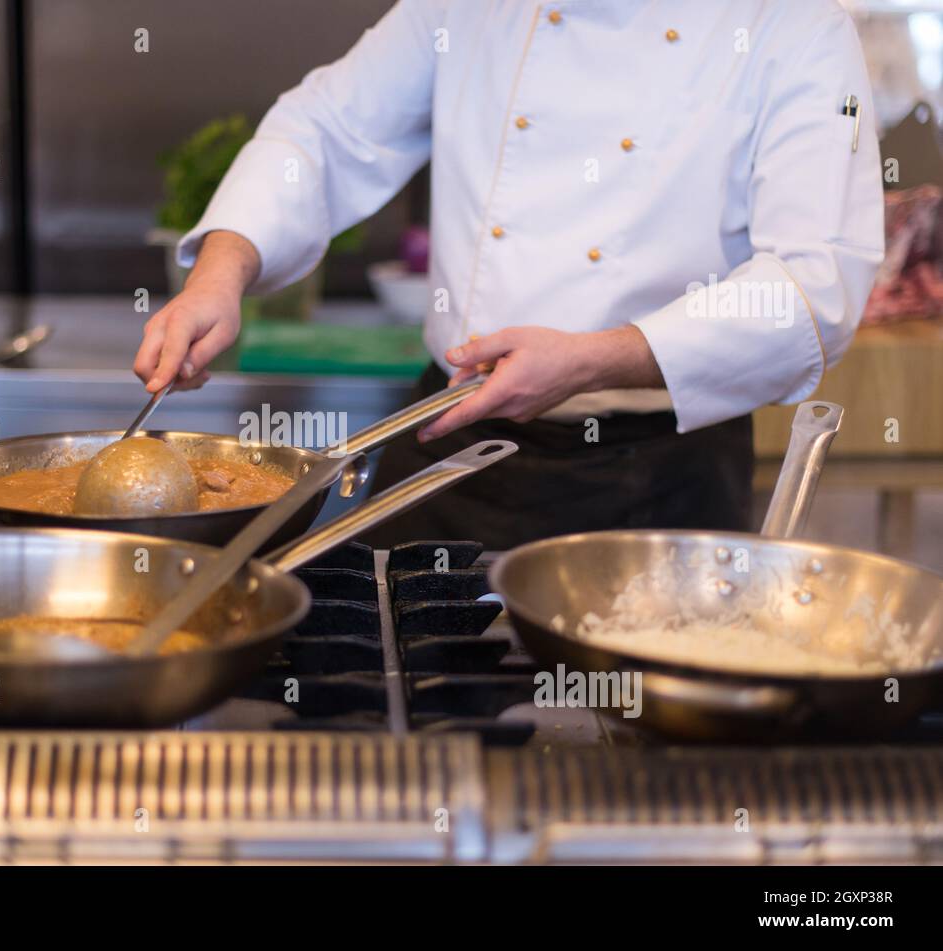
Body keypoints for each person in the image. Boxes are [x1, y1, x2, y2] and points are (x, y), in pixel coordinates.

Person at [133, 0, 885, 549]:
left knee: (635, 758)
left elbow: (816, 283)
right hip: (449, 445)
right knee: (399, 712)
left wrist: (592, 357)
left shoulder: (801, 28)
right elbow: (327, 127)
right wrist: (219, 276)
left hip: (653, 479)